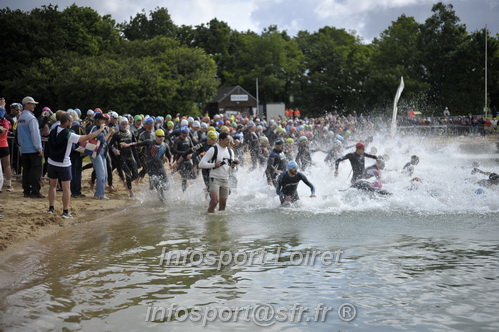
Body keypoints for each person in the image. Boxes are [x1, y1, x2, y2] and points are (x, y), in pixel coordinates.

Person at [47, 113, 105, 217]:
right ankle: (65, 211)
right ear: (67, 122)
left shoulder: (53, 130)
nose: (72, 122)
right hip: (64, 164)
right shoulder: (69, 134)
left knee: (52, 186)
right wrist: (100, 130)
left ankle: (51, 208)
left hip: (51, 162)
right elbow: (87, 137)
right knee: (66, 188)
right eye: (71, 121)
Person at [121, 129, 172, 202]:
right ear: (156, 137)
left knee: (167, 186)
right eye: (159, 136)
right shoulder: (149, 142)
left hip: (160, 167)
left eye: (163, 136)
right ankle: (162, 202)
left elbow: (170, 156)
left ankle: (152, 188)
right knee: (158, 185)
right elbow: (137, 144)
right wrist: (127, 145)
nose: (161, 138)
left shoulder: (165, 145)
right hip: (150, 167)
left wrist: (171, 162)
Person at [198, 132, 239, 213]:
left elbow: (232, 171)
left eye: (229, 140)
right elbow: (201, 164)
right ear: (221, 140)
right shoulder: (213, 149)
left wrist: (233, 166)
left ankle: (220, 223)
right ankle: (209, 219)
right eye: (227, 140)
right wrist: (214, 165)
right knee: (215, 201)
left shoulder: (231, 151)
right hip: (214, 179)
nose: (229, 142)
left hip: (225, 179)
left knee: (223, 204)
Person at [17, 96, 44, 198]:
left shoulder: (20, 118)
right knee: (36, 170)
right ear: (27, 105)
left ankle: (26, 191)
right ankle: (35, 191)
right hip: (33, 149)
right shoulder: (31, 118)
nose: (34, 106)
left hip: (24, 149)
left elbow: (19, 135)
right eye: (32, 104)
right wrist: (39, 149)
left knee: (26, 171)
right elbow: (35, 135)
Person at [110, 117, 141, 197]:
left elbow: (134, 147)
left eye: (125, 124)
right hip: (121, 157)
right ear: (120, 124)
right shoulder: (117, 134)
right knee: (128, 174)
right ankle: (130, 191)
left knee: (136, 175)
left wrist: (137, 160)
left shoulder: (131, 133)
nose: (124, 125)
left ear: (128, 124)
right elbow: (109, 145)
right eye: (122, 124)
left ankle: (127, 183)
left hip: (130, 156)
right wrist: (114, 150)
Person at [0, 105, 14, 192]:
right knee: (7, 165)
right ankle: (8, 185)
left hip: (3, 145)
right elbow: (11, 127)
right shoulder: (7, 122)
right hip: (4, 145)